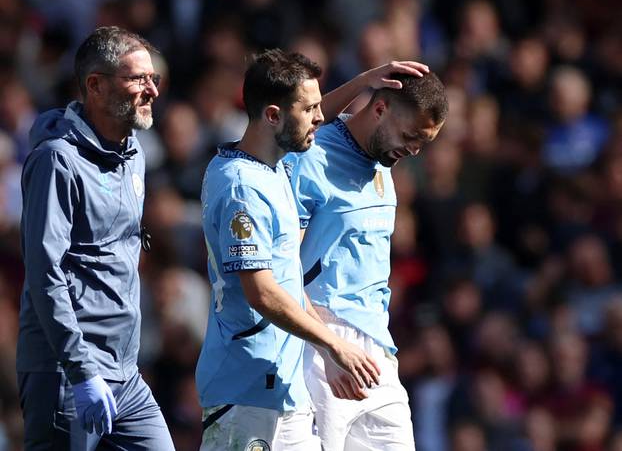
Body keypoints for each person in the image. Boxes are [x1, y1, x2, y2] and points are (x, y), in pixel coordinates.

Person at [195, 49, 427, 451]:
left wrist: (363, 81)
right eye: (312, 109)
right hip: (245, 384)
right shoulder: (241, 186)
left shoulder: (276, 170)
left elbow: (309, 122)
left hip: (285, 388)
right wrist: (332, 344)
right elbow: (262, 292)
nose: (323, 117)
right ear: (272, 116)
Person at [16, 26, 175, 450]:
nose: (151, 91)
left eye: (153, 79)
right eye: (137, 79)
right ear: (95, 86)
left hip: (126, 375)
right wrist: (81, 371)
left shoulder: (135, 153)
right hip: (66, 372)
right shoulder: (56, 162)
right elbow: (44, 273)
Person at [286, 71, 448, 450]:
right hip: (320, 344)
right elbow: (282, 264)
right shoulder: (312, 158)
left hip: (378, 351)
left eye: (424, 143)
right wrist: (327, 348)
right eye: (411, 137)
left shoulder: (382, 162)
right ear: (379, 108)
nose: (414, 151)